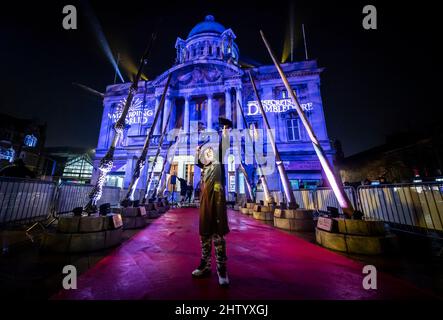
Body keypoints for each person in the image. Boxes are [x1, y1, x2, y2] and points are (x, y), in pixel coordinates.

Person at [191, 117, 231, 286]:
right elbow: (197, 162)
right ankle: (205, 265)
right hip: (205, 202)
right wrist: (196, 150)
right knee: (204, 232)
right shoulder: (205, 167)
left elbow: (225, 144)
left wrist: (225, 129)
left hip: (218, 202)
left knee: (218, 235)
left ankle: (222, 270)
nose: (208, 154)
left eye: (210, 152)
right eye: (205, 153)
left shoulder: (218, 161)